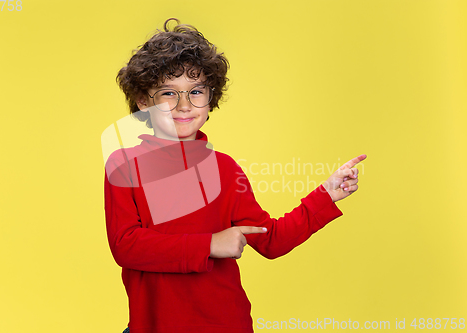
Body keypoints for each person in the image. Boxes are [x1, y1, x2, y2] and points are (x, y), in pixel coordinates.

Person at [104, 18, 366, 333]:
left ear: (210, 97)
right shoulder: (125, 165)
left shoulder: (225, 170)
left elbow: (270, 240)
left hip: (225, 325)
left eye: (196, 91)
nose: (184, 105)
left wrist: (326, 194)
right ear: (144, 101)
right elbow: (126, 246)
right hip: (154, 325)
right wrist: (210, 244)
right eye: (168, 94)